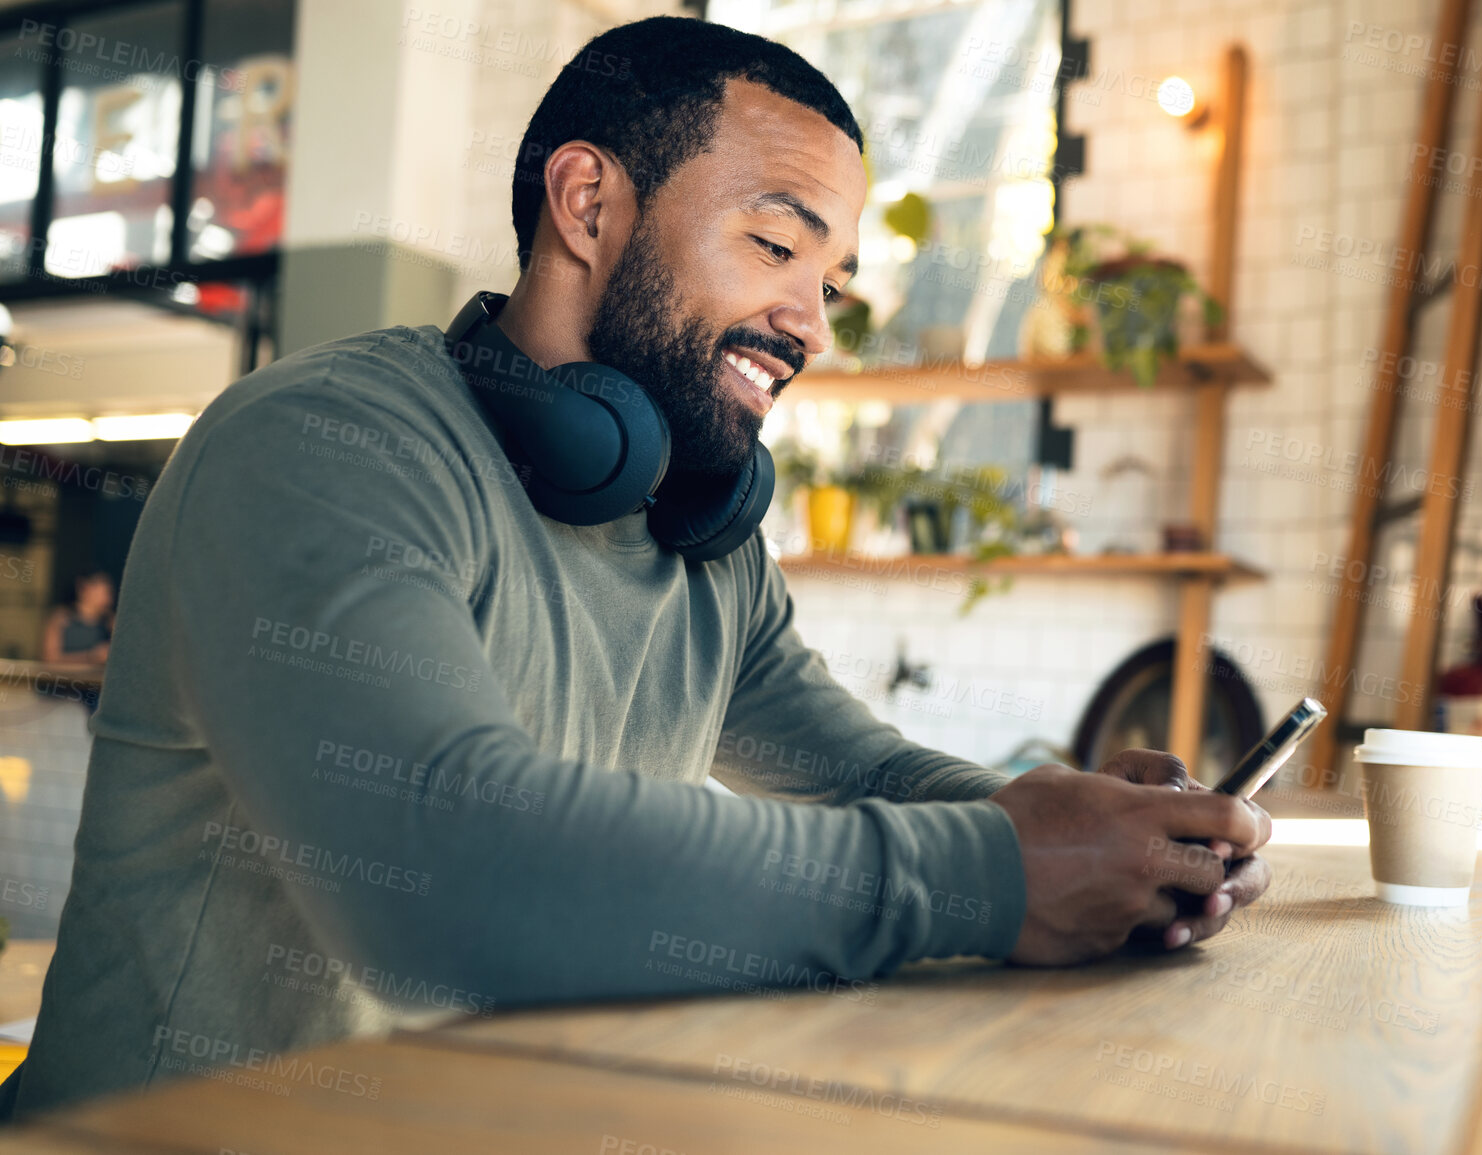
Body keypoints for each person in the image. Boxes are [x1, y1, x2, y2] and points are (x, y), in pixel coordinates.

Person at [1, 16, 1270, 1121]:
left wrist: (1105, 837)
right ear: (588, 204)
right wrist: (995, 877)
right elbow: (441, 874)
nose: (813, 325)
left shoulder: (697, 530)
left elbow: (865, 771)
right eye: (778, 249)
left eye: (833, 283)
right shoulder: (318, 447)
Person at [39, 572, 112, 667]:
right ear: (83, 588)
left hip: (95, 680)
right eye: (104, 592)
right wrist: (91, 657)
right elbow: (49, 658)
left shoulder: (108, 621)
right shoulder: (61, 617)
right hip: (62, 678)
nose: (108, 599)